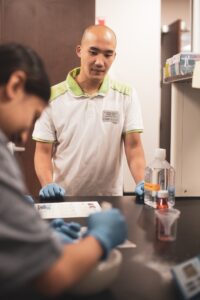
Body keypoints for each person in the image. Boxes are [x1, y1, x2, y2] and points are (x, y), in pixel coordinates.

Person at [0, 43, 127, 299]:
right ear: (15, 85)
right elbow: (51, 276)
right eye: (33, 113)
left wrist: (23, 225)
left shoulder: (124, 94)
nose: (25, 132)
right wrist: (101, 238)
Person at [33, 24, 146, 199]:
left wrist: (141, 181)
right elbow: (43, 152)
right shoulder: (52, 98)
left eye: (108, 54)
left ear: (114, 56)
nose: (100, 62)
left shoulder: (126, 95)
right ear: (79, 50)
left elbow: (134, 146)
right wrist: (48, 184)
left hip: (111, 199)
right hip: (66, 198)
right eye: (93, 52)